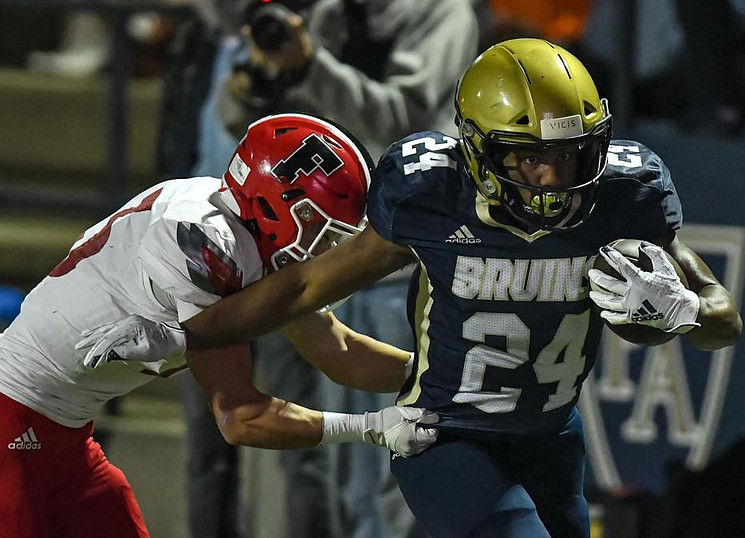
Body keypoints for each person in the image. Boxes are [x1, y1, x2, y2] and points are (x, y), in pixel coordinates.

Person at [87, 38, 743, 537]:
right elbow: (304, 286)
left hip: (552, 436)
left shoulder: (626, 196)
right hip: (445, 432)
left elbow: (723, 320)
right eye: (528, 155)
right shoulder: (433, 195)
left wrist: (685, 312)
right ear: (479, 150)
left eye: (570, 154)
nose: (550, 176)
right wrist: (185, 326)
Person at [0, 113, 438, 538]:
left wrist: (444, 375)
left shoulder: (249, 236)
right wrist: (371, 428)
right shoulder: (205, 240)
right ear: (277, 207)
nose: (332, 251)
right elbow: (241, 417)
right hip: (13, 420)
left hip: (65, 435)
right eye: (324, 232)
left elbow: (340, 352)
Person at [156, 1, 478, 536]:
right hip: (329, 254)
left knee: (398, 472)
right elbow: (257, 126)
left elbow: (403, 122)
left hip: (403, 260)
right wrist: (259, 79)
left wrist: (310, 68)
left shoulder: (440, 11)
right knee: (348, 473)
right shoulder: (329, 13)